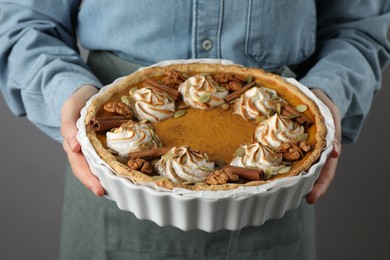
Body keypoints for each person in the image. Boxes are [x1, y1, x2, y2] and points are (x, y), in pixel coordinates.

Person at [0, 1, 389, 259]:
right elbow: (23, 20)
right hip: (114, 177)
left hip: (276, 181)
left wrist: (325, 97)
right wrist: (71, 94)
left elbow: (362, 25)